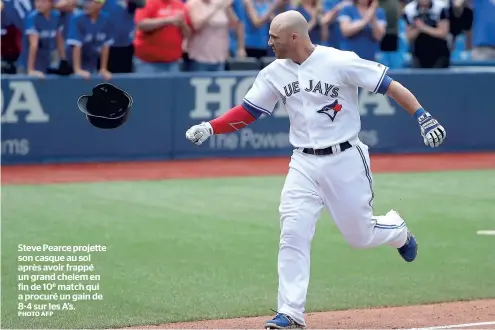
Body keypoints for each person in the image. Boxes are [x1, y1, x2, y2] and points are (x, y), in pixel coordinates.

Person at [185, 10, 446, 329]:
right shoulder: (273, 73)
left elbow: (388, 85)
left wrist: (422, 115)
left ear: (294, 37)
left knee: (359, 236)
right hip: (303, 163)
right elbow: (249, 112)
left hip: (345, 158)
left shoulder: (339, 61)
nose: (268, 42)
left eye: (274, 37)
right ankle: (290, 312)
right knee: (292, 231)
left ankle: (397, 230)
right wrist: (211, 127)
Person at [133, 0, 192, 73]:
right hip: (147, 61)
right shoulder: (148, 2)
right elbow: (141, 24)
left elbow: (188, 34)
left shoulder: (180, 5)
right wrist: (166, 21)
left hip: (173, 62)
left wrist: (182, 25)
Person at [186, 0, 246, 71]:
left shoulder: (220, 3)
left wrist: (228, 8)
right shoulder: (193, 3)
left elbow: (234, 24)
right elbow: (196, 25)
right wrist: (215, 8)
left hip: (220, 57)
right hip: (200, 57)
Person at [65, 0, 114, 80]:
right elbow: (76, 45)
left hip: (91, 62)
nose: (86, 5)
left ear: (100, 4)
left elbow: (105, 46)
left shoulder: (106, 20)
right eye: (86, 2)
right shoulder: (77, 19)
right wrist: (78, 70)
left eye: (91, 2)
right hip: (71, 64)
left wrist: (103, 69)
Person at [17, 0, 67, 77]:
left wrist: (63, 60)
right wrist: (31, 70)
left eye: (43, 1)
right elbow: (33, 45)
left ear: (51, 3)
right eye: (37, 1)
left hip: (45, 65)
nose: (39, 4)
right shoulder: (32, 18)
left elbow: (59, 40)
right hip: (26, 66)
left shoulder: (56, 17)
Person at [403, 0, 450, 68]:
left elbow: (443, 33)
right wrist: (418, 29)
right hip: (418, 54)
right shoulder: (409, 9)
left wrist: (424, 28)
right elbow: (409, 36)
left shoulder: (441, 7)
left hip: (439, 53)